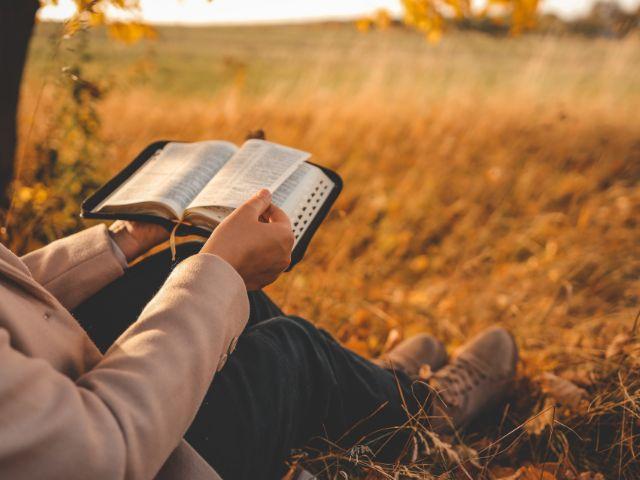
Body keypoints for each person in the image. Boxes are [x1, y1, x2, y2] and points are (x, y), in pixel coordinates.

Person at [0, 188, 517, 480]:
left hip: (52, 381)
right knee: (292, 352)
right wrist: (221, 269)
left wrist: (123, 242)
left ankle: (364, 394)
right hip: (137, 458)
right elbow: (93, 455)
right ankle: (423, 416)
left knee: (177, 265)